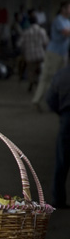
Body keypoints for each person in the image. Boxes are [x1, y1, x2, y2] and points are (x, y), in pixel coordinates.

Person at [32, 0, 70, 111]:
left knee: (57, 78)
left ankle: (50, 102)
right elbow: (66, 32)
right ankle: (39, 101)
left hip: (62, 54)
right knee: (48, 78)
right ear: (63, 9)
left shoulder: (67, 21)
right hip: (54, 53)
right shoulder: (59, 20)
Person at [46, 65, 70, 209]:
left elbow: (50, 99)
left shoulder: (62, 75)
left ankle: (58, 198)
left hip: (67, 119)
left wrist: (62, 113)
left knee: (62, 161)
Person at [18, 14, 49, 92]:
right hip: (40, 54)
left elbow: (19, 44)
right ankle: (38, 84)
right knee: (40, 70)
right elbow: (46, 43)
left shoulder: (26, 32)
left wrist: (24, 50)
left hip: (30, 56)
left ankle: (31, 83)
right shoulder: (42, 31)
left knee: (31, 71)